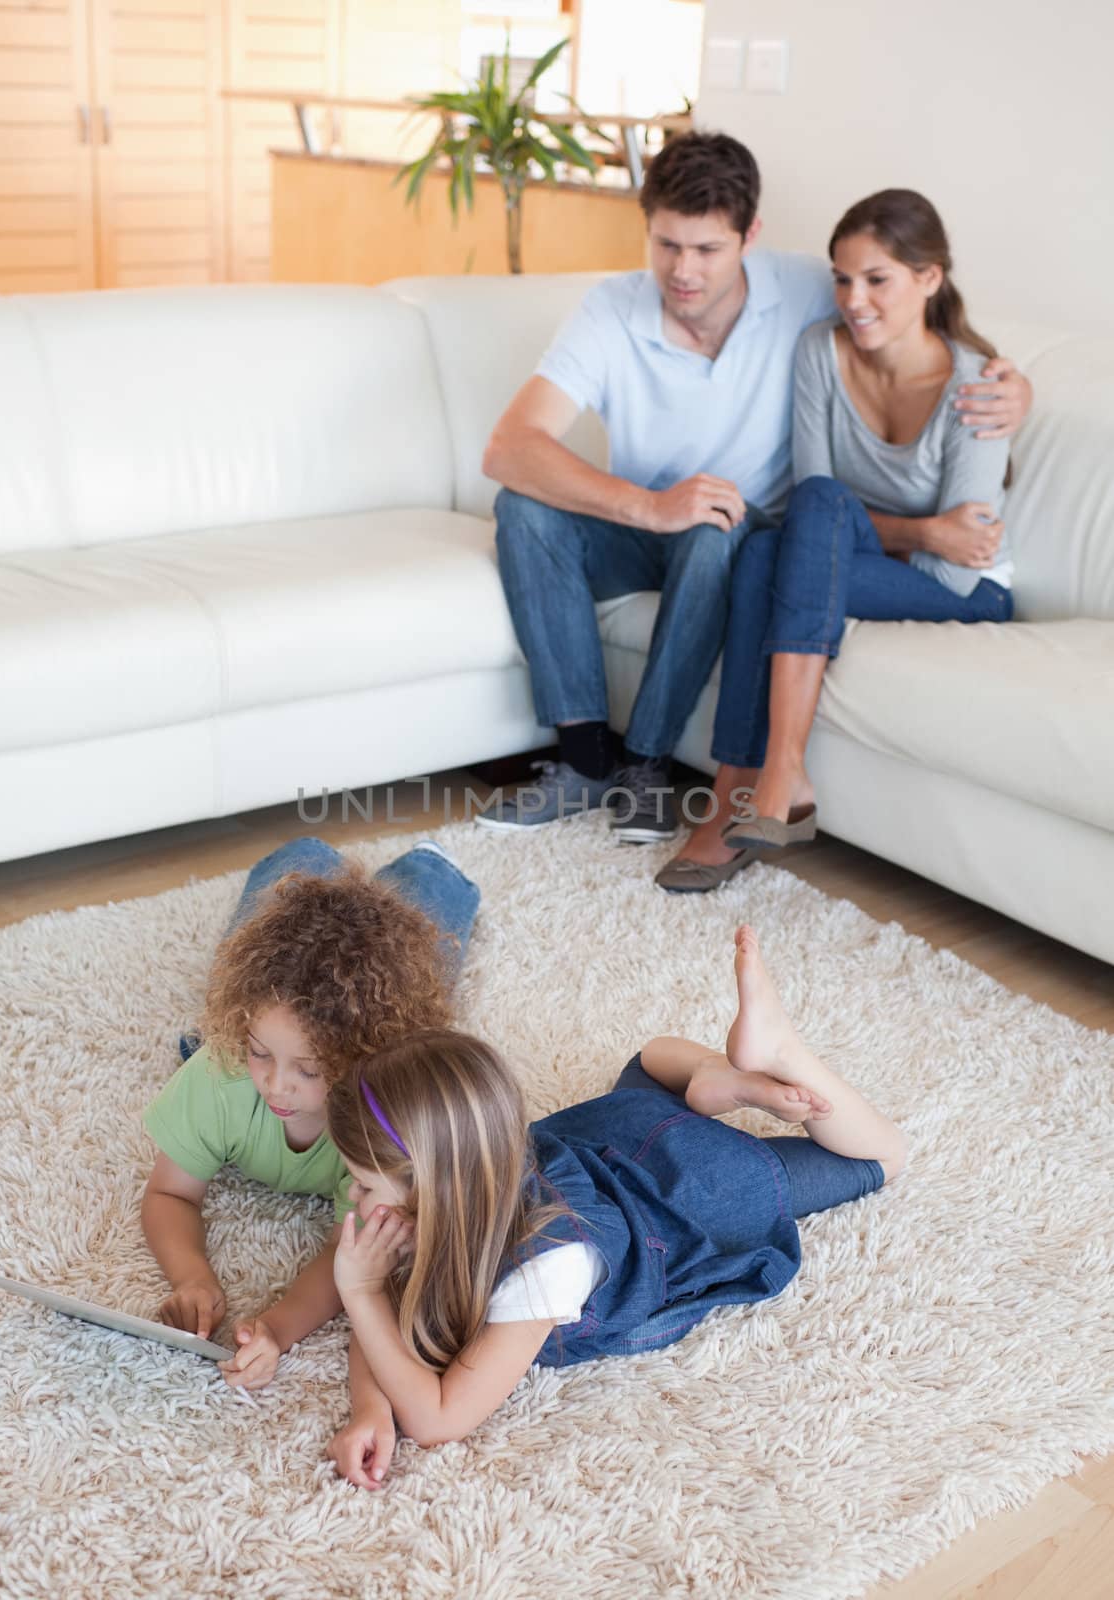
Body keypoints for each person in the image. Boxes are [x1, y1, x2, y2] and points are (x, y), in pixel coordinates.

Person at [478, 134, 1030, 848]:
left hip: (731, 533)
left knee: (718, 529)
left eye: (706, 250)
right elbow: (509, 447)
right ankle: (584, 759)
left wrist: (1014, 387)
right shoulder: (610, 310)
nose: (682, 270)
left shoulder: (809, 290)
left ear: (749, 238)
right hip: (640, 523)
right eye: (666, 245)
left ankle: (646, 767)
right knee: (522, 506)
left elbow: (912, 322)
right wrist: (647, 505)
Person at [325, 924, 906, 1481]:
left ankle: (781, 1051)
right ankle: (711, 1075)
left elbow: (439, 1418)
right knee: (647, 1061)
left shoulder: (543, 1270)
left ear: (439, 1186)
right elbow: (393, 1323)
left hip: (700, 1190)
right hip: (622, 1136)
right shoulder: (465, 1183)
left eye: (366, 1184)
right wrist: (370, 1410)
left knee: (881, 1157)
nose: (354, 1197)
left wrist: (360, 1290)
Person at [660, 189, 1015, 891]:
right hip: (858, 555)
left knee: (774, 554)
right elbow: (811, 505)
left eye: (876, 278)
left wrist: (919, 543)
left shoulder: (977, 390)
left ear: (928, 279)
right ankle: (766, 781)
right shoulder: (819, 352)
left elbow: (955, 566)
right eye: (842, 277)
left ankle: (753, 786)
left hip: (966, 589)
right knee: (777, 539)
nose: (854, 299)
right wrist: (919, 530)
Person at [139, 834, 479, 1391]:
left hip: (389, 1031)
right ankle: (306, 851)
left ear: (363, 1056)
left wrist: (277, 1327)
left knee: (425, 930)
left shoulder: (387, 1125)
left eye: (311, 1070)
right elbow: (169, 1192)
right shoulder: (219, 1070)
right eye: (259, 1052)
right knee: (285, 887)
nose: (277, 1084)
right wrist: (192, 1276)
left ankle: (431, 861)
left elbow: (354, 1252)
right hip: (249, 1006)